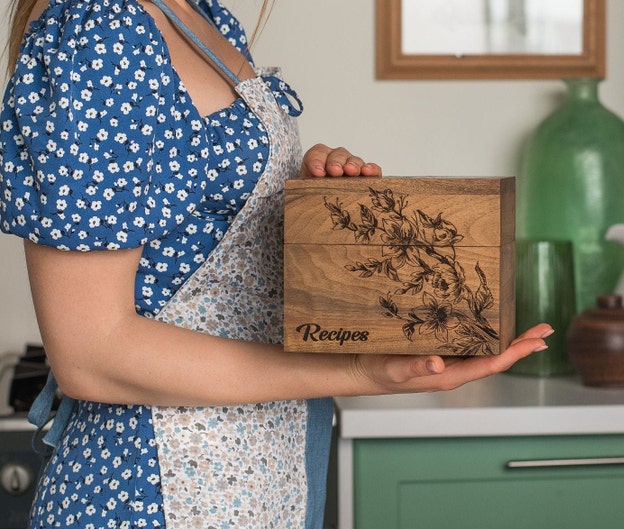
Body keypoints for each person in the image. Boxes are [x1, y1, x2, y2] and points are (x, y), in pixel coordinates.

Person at [0, 0, 553, 527]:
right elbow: (91, 354)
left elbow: (206, 228)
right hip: (158, 488)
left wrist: (314, 203)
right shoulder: (97, 29)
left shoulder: (197, 15)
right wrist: (361, 371)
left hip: (269, 472)